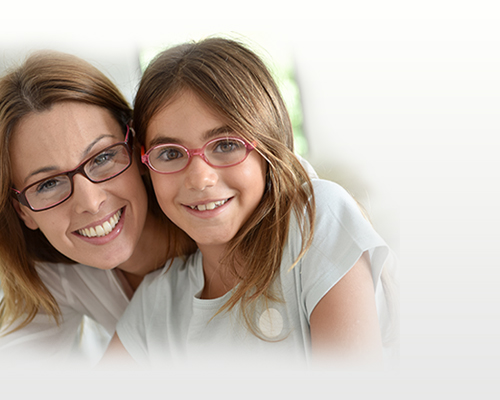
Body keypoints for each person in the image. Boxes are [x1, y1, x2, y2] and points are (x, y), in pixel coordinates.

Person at [111, 37, 398, 370]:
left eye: (226, 145)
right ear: (146, 167)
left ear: (267, 150)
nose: (200, 178)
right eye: (171, 154)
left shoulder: (315, 222)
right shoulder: (156, 304)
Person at [0, 50, 194, 368]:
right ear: (23, 211)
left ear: (136, 147)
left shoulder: (216, 215)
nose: (90, 202)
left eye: (102, 157)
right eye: (48, 184)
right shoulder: (57, 276)